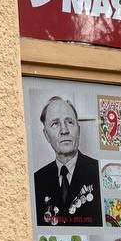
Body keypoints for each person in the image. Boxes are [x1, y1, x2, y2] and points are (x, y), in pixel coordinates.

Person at [33, 95, 103, 227]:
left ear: (78, 130)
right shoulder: (36, 180)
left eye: (69, 122)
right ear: (46, 135)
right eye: (55, 124)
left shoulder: (100, 173)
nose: (64, 131)